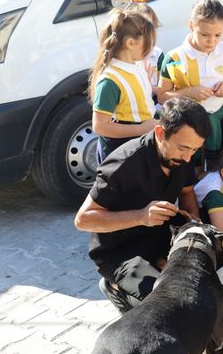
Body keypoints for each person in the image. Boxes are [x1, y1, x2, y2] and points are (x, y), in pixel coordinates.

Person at [75, 97, 209, 313]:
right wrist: (141, 216)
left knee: (201, 284)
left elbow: (187, 191)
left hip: (160, 236)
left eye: (194, 150)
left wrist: (192, 221)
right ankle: (115, 288)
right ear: (159, 133)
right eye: (183, 149)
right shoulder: (123, 163)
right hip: (119, 252)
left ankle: (156, 268)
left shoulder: (183, 155)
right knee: (167, 307)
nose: (187, 158)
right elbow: (83, 219)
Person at [157, 0, 223, 171]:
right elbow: (162, 96)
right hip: (189, 125)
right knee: (192, 165)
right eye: (204, 34)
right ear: (191, 26)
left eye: (218, 35)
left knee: (218, 163)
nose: (212, 41)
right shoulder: (175, 58)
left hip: (219, 117)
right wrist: (189, 93)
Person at [89, 8, 157, 163]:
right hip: (120, 152)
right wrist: (141, 129)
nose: (151, 47)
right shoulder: (110, 81)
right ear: (131, 43)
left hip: (138, 144)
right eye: (149, 42)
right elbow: (100, 126)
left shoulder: (136, 65)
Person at [127, 2, 164, 103]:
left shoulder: (158, 54)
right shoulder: (125, 57)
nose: (149, 33)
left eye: (151, 27)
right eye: (143, 29)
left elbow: (163, 88)